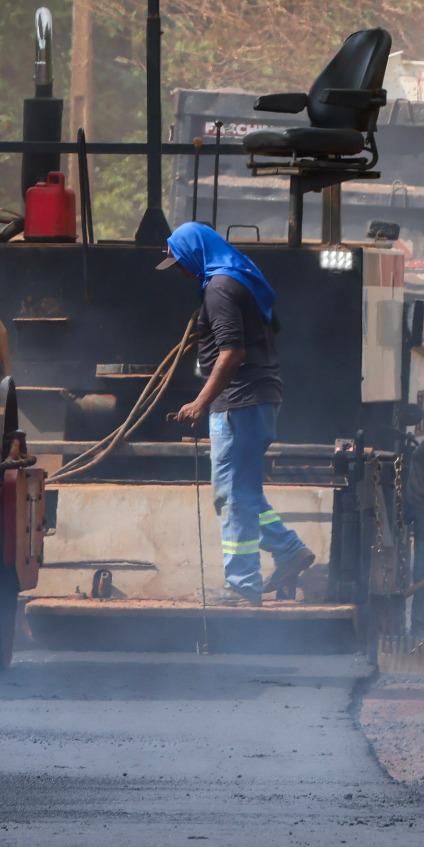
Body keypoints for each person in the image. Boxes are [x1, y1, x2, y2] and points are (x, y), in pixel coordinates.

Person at [158, 223, 312, 605]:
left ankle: (243, 585)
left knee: (233, 497)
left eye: (180, 262)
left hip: (239, 403)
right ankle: (289, 549)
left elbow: (232, 353)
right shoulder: (243, 276)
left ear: (196, 253)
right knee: (240, 491)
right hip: (257, 399)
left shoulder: (219, 289)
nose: (180, 271)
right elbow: (269, 332)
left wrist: (201, 402)